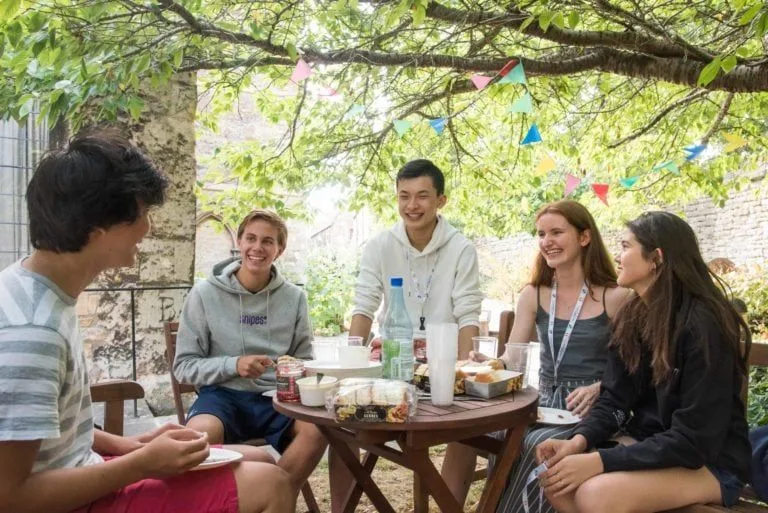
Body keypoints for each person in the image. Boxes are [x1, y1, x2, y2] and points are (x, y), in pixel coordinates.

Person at [0, 131, 294, 513]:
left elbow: (57, 436)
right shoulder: (33, 332)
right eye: (141, 216)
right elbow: (10, 495)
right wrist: (139, 464)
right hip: (71, 499)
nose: (147, 229)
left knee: (261, 460)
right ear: (97, 230)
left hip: (83, 467)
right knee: (270, 483)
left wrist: (131, 445)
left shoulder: (41, 290)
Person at [537, 211, 752, 513]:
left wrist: (599, 461)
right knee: (554, 470)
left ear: (656, 258)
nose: (617, 254)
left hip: (710, 462)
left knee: (596, 495)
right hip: (650, 443)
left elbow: (693, 439)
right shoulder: (633, 316)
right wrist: (578, 442)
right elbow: (613, 398)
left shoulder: (703, 326)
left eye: (625, 246)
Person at [443, 199, 628, 510]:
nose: (547, 242)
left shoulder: (618, 297)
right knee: (465, 432)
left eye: (556, 232)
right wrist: (488, 365)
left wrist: (601, 387)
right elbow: (512, 359)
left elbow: (632, 370)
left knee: (532, 442)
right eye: (541, 234)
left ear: (584, 237)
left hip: (591, 406)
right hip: (538, 401)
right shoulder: (534, 294)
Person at [174, 208, 327, 493]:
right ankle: (258, 498)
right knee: (196, 438)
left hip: (279, 398)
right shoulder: (204, 294)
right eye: (251, 238)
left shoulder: (294, 298)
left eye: (268, 241)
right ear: (240, 243)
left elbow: (304, 360)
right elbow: (184, 366)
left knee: (318, 432)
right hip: (221, 395)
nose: (258, 248)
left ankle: (270, 496)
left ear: (279, 250)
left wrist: (290, 368)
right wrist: (234, 365)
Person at [349, 158, 483, 358]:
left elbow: (468, 314)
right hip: (392, 350)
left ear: (441, 200)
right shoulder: (380, 245)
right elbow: (364, 305)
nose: (412, 205)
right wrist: (351, 366)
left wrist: (464, 372)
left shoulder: (462, 249)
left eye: (422, 196)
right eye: (404, 196)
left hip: (442, 352)